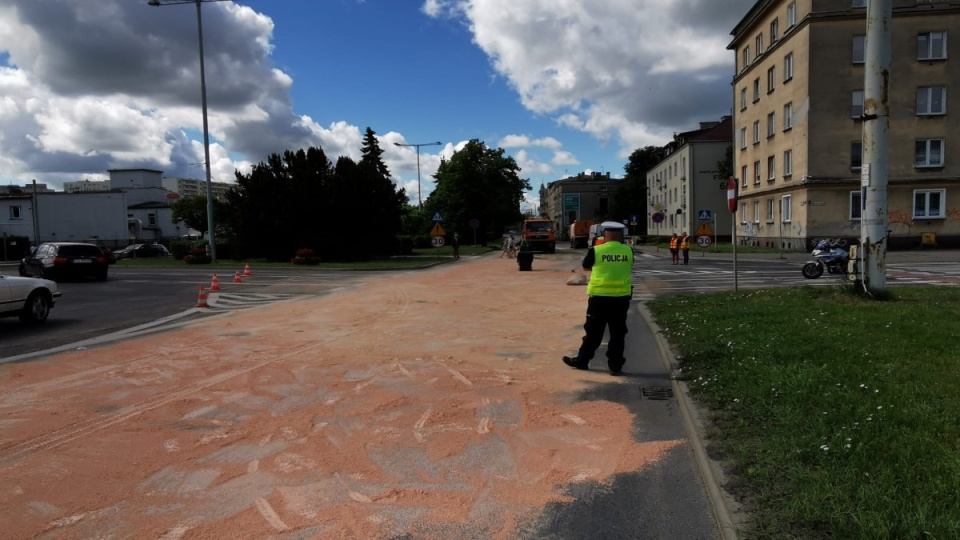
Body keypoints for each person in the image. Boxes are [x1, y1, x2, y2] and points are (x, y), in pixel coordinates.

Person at [562, 221, 634, 376]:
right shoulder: (628, 250)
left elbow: (586, 266)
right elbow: (629, 265)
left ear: (605, 235)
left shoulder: (596, 250)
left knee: (593, 333)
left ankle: (582, 361)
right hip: (621, 299)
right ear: (621, 235)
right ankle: (615, 366)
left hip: (599, 299)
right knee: (617, 333)